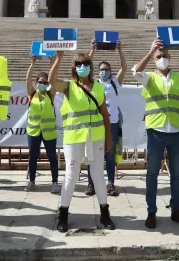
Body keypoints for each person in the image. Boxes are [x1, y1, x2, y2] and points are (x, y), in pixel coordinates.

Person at [132, 37, 179, 229]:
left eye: (164, 56)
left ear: (170, 57)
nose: (162, 58)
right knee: (152, 173)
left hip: (174, 131)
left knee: (177, 174)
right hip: (156, 131)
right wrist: (150, 52)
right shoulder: (149, 77)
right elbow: (136, 72)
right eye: (159, 56)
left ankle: (176, 210)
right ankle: (151, 211)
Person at [49, 51, 115, 232]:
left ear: (90, 67)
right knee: (71, 177)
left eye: (85, 64)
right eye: (78, 64)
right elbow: (51, 81)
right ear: (74, 68)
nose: (82, 67)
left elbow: (105, 115)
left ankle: (104, 213)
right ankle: (63, 214)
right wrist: (59, 59)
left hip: (96, 138)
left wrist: (109, 138)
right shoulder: (70, 86)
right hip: (74, 139)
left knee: (98, 177)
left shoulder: (99, 88)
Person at [85, 38, 127, 197]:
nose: (104, 71)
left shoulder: (115, 83)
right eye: (102, 69)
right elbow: (85, 68)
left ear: (110, 72)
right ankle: (91, 184)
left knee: (109, 155)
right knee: (92, 155)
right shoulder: (93, 83)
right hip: (95, 123)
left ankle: (110, 184)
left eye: (107, 69)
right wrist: (92, 51)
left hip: (112, 123)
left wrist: (120, 50)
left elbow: (124, 67)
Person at [25, 56, 60, 193]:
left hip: (49, 132)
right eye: (40, 82)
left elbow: (54, 79)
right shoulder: (31, 94)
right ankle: (32, 181)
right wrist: (32, 64)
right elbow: (27, 80)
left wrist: (54, 63)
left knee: (52, 157)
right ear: (36, 82)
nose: (43, 84)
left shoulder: (50, 94)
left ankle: (55, 182)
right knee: (33, 156)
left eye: (45, 82)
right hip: (33, 132)